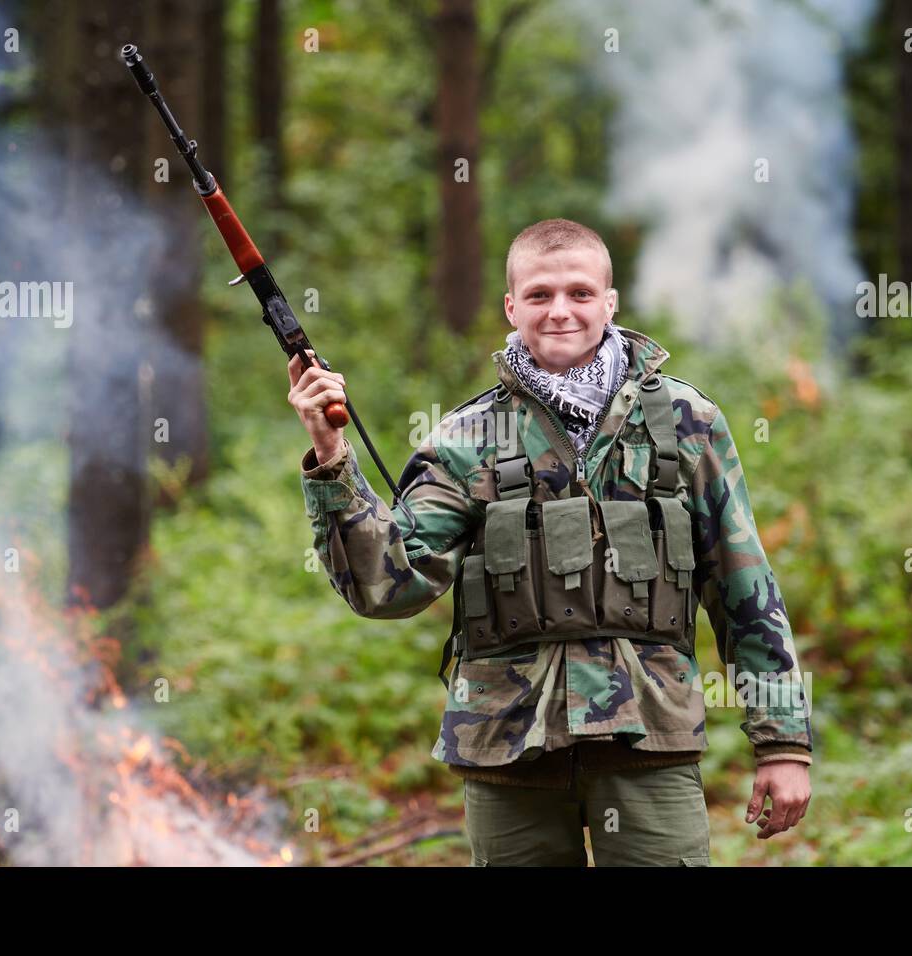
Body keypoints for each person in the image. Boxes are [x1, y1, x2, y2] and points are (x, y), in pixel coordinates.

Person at [288, 218, 812, 866]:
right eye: (539, 295)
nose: (560, 311)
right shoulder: (466, 439)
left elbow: (743, 588)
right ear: (511, 306)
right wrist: (331, 454)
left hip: (648, 739)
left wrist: (782, 743)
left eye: (579, 293)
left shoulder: (686, 423)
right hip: (509, 747)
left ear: (609, 302)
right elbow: (388, 583)